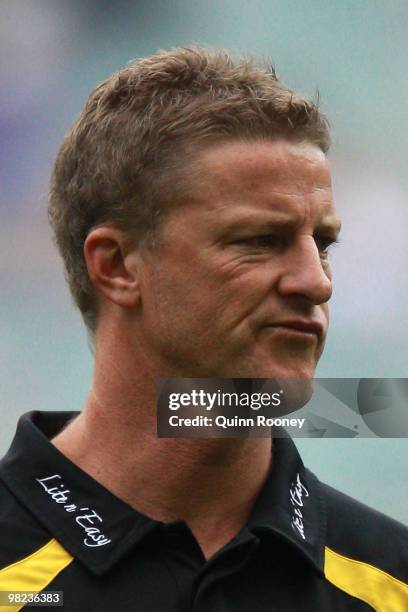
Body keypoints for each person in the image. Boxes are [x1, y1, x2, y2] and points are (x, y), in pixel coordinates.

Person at [0, 47, 407, 611]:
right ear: (117, 266)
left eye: (324, 244)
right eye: (260, 241)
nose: (317, 282)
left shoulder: (392, 581)